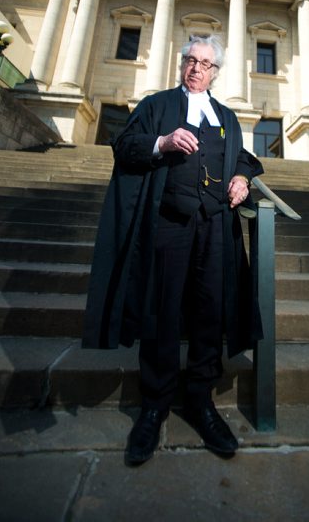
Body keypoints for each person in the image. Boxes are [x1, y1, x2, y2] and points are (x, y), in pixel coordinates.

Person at [82, 35, 263, 464]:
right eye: (191, 60)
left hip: (216, 226)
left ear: (215, 72)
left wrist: (242, 178)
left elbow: (241, 157)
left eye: (205, 63)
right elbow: (125, 146)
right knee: (161, 312)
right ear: (182, 64)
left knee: (209, 311)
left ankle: (201, 401)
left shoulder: (226, 116)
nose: (197, 68)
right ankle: (154, 405)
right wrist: (161, 143)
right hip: (168, 225)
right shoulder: (156, 105)